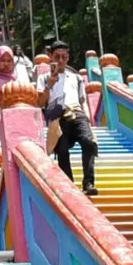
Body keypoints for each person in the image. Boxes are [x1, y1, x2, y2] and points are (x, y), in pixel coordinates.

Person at [42, 38, 98, 196]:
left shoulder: (76, 77)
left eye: (64, 57)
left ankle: (89, 182)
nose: (61, 60)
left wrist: (88, 118)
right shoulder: (43, 78)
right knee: (62, 150)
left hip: (77, 113)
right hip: (58, 116)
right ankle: (69, 185)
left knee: (89, 142)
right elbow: (40, 102)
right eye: (57, 57)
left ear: (68, 58)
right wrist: (49, 85)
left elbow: (82, 101)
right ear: (50, 56)